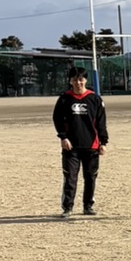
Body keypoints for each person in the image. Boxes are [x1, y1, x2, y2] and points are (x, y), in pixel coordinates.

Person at [53, 65, 108, 217]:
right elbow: (57, 119)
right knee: (70, 177)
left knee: (90, 177)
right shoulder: (64, 99)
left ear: (85, 80)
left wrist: (103, 142)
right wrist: (63, 137)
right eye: (75, 80)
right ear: (70, 81)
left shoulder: (95, 99)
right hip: (71, 146)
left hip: (91, 145)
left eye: (81, 79)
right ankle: (67, 207)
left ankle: (88, 206)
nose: (78, 83)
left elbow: (101, 122)